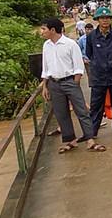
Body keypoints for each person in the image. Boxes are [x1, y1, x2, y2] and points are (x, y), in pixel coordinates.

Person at [39, 17, 105, 153]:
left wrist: (74, 83)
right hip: (54, 83)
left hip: (69, 81)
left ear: (52, 30)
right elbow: (45, 68)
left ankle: (90, 140)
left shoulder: (70, 44)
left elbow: (78, 67)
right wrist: (45, 86)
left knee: (81, 111)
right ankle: (70, 140)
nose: (41, 32)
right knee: (61, 113)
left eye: (43, 29)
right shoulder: (46, 46)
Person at [86, 6, 112, 136]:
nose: (105, 20)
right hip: (98, 75)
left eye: (107, 18)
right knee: (96, 103)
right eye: (102, 18)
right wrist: (99, 64)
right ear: (97, 20)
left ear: (111, 20)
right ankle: (93, 129)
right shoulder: (91, 36)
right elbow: (89, 53)